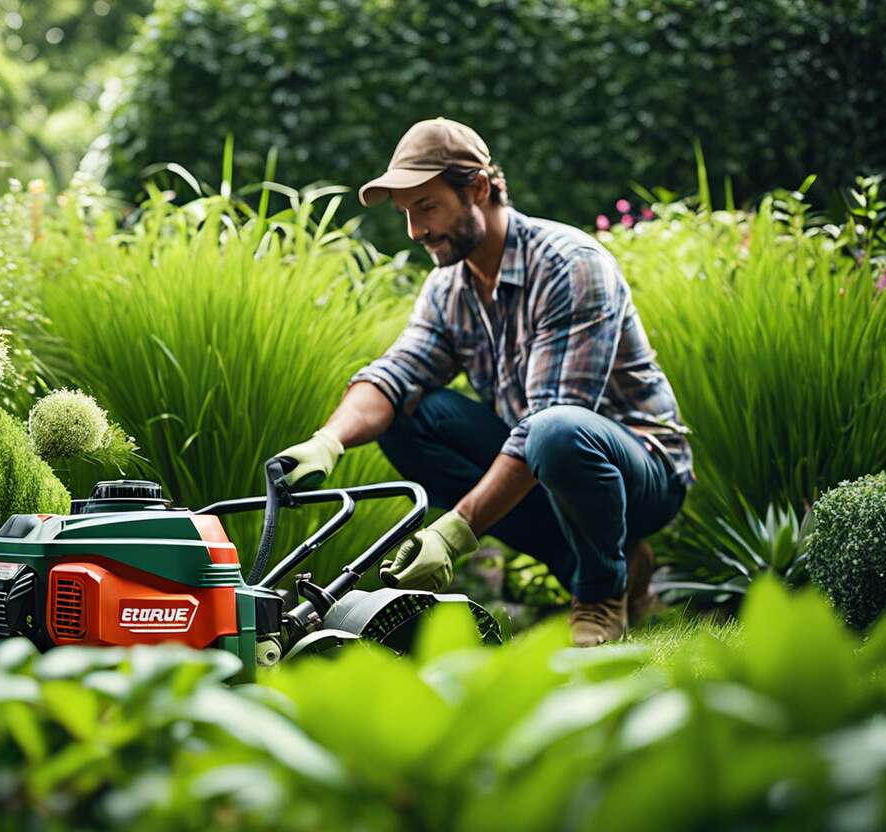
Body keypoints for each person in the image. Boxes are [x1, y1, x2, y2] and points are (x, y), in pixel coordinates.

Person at [275, 117, 693, 646]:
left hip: (643, 470)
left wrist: (454, 534)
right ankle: (609, 563)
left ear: (477, 188)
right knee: (411, 418)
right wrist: (327, 441)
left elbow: (552, 418)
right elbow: (397, 372)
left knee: (555, 432)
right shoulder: (449, 287)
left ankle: (600, 596)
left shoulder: (571, 265)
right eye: (406, 214)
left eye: (426, 207)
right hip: (545, 460)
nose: (415, 231)